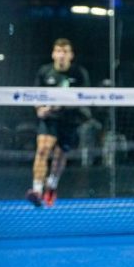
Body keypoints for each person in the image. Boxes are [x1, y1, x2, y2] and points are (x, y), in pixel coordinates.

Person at [26, 38, 90, 208]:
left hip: (70, 119)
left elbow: (86, 97)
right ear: (53, 54)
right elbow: (34, 95)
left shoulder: (79, 73)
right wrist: (40, 108)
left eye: (65, 52)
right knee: (42, 150)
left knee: (59, 157)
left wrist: (60, 104)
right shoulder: (44, 72)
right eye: (59, 51)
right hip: (49, 120)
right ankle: (37, 190)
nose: (62, 55)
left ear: (71, 55)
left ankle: (52, 186)